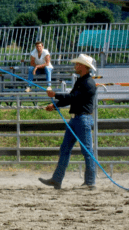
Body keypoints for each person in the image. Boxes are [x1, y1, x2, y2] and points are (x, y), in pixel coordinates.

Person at [39, 54, 97, 190]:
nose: (75, 66)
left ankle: (90, 182)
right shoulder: (81, 81)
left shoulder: (88, 83)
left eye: (77, 64)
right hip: (76, 119)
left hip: (83, 120)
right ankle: (57, 179)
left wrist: (55, 95)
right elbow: (71, 98)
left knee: (87, 151)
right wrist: (55, 105)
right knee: (65, 149)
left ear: (83, 66)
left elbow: (73, 97)